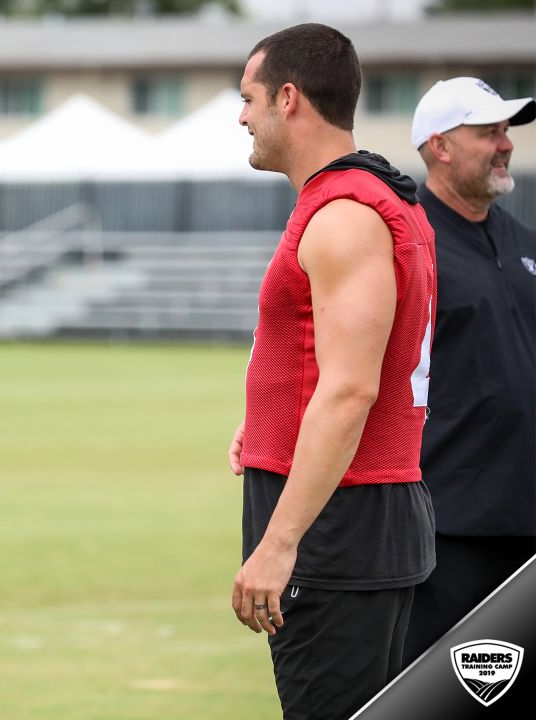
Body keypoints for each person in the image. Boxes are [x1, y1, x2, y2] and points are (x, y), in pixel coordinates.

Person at [227, 24, 437, 719]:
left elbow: (350, 389)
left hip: (338, 528)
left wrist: (278, 543)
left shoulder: (346, 212)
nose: (242, 116)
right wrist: (263, 425)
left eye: (249, 97)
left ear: (289, 98)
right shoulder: (363, 195)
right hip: (355, 516)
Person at [400, 78, 536, 666]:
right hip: (447, 527)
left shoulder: (524, 240)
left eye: (506, 131)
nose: (505, 145)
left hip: (526, 520)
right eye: (488, 133)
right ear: (441, 147)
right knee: (442, 691)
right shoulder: (406, 241)